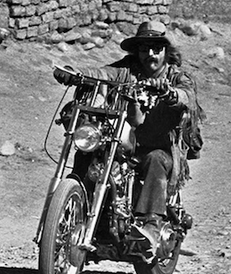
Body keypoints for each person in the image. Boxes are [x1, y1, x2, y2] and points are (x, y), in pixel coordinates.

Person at [54, 20, 198, 255]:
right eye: (143, 48)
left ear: (165, 51)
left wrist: (171, 94)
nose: (150, 54)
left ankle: (150, 225)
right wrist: (76, 74)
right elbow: (102, 73)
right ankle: (76, 206)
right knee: (88, 152)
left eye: (156, 48)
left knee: (155, 159)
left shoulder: (176, 76)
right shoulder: (127, 70)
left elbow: (187, 95)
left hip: (159, 146)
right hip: (124, 141)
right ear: (137, 50)